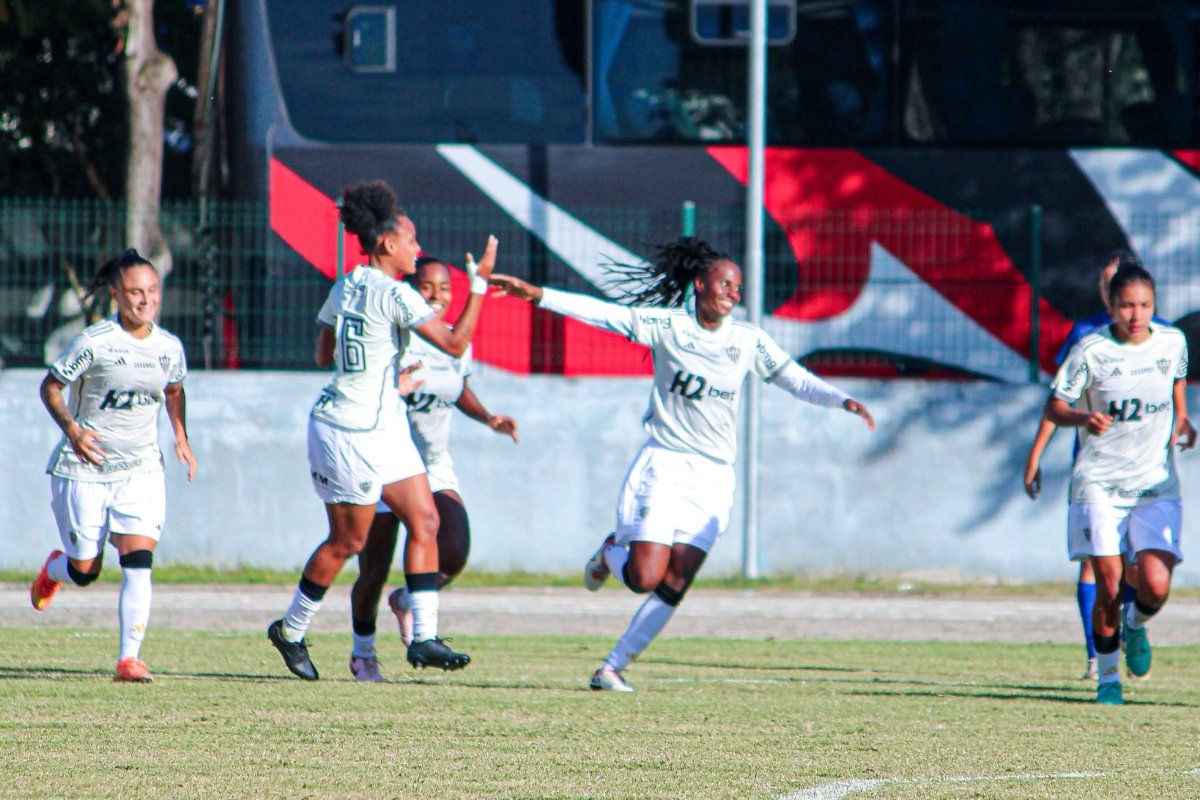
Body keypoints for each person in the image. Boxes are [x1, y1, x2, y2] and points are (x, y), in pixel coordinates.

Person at [489, 237, 875, 691]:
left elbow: (795, 378)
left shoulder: (747, 340)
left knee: (676, 580)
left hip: (714, 478)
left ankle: (611, 668)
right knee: (643, 577)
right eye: (725, 283)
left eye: (738, 287)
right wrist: (537, 295)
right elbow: (604, 314)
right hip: (666, 464)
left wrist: (841, 399)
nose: (733, 292)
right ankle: (611, 551)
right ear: (700, 284)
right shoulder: (667, 326)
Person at [266, 180, 497, 680]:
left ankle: (424, 638)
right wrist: (479, 285)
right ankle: (290, 629)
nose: (417, 247)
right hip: (348, 428)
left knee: (425, 520)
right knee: (348, 543)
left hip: (382, 421)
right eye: (411, 240)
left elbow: (322, 354)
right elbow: (454, 344)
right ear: (388, 243)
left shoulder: (345, 284)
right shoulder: (393, 293)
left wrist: (375, 368)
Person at [346, 256, 519, 682]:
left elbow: (458, 388)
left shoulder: (454, 340)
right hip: (385, 461)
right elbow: (365, 386)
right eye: (427, 287)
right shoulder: (397, 337)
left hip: (433, 465)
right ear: (409, 290)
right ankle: (363, 653)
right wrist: (395, 388)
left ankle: (408, 601)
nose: (437, 296)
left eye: (444, 288)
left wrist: (490, 418)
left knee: (454, 549)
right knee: (373, 569)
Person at [30, 248, 196, 683]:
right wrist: (73, 430)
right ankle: (55, 569)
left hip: (141, 468)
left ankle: (129, 659)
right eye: (136, 292)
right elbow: (50, 387)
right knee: (85, 571)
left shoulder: (168, 348)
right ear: (117, 295)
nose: (146, 300)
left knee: (138, 560)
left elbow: (174, 390)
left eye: (153, 291)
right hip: (84, 469)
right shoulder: (95, 342)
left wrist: (181, 437)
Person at [1044, 261, 1194, 705]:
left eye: (1145, 305)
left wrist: (1182, 418)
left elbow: (1176, 379)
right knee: (1108, 586)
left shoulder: (1173, 341)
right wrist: (1082, 417)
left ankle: (1135, 625)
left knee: (1156, 585)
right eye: (1127, 305)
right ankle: (1108, 679)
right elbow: (1054, 406)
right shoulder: (1091, 350)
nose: (1136, 315)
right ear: (1110, 306)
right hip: (1100, 484)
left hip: (1154, 484)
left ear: (1154, 304)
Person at [1023, 251, 1164, 680]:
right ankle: (1097, 657)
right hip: (1095, 470)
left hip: (1145, 473)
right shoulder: (1086, 334)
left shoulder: (1162, 339)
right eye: (1104, 282)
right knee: (1097, 565)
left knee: (1139, 568)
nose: (1108, 289)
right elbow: (1060, 399)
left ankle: (1132, 628)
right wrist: (1035, 456)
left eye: (1115, 281)